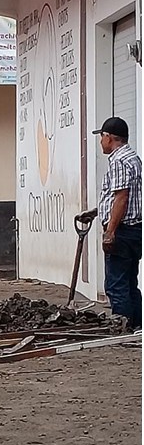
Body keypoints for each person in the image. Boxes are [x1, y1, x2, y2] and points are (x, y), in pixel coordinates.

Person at [77, 117, 142, 329]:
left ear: (109, 137)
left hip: (122, 231)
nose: (101, 142)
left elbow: (122, 198)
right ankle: (136, 327)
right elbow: (121, 198)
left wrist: (110, 231)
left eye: (102, 137)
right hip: (133, 229)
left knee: (116, 285)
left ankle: (123, 327)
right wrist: (96, 212)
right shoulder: (132, 158)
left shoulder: (119, 161)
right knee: (130, 283)